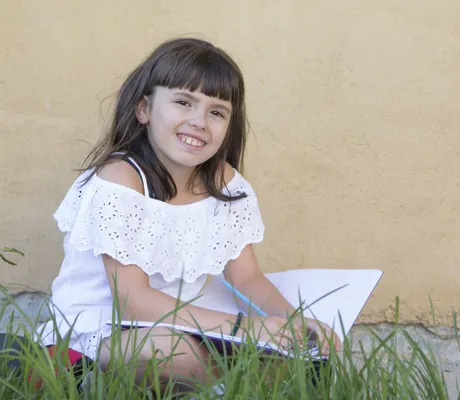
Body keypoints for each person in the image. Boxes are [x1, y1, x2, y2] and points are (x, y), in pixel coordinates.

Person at [36, 37, 340, 390]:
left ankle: (236, 384)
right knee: (178, 354)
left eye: (216, 112)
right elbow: (133, 302)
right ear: (144, 109)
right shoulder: (120, 182)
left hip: (190, 322)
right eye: (183, 102)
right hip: (104, 329)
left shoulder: (225, 183)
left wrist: (295, 322)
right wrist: (247, 328)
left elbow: (247, 278)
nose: (200, 121)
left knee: (291, 358)